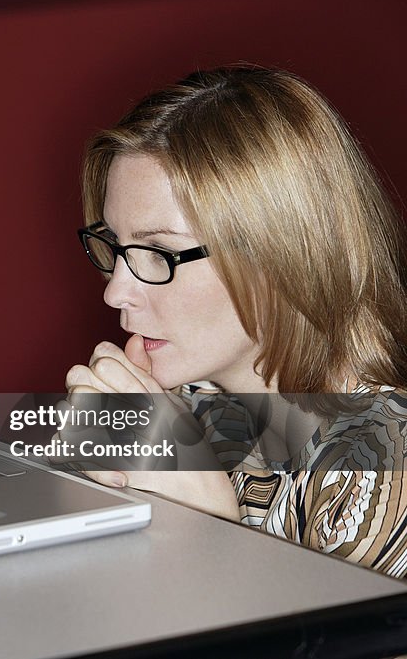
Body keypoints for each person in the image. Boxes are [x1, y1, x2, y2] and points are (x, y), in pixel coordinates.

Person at [65, 65, 407, 577]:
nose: (116, 291)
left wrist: (210, 536)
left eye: (160, 252)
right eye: (113, 246)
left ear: (283, 255)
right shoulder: (198, 398)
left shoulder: (383, 470)